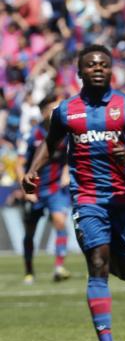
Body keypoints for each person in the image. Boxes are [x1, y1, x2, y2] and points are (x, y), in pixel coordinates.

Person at [21, 44, 125, 341]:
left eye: (104, 64)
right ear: (80, 72)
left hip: (122, 200)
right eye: (92, 65)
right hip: (86, 199)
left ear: (111, 71)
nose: (98, 68)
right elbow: (50, 142)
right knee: (97, 263)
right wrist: (33, 170)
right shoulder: (66, 110)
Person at [16, 94, 71, 284]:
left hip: (56, 188)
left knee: (60, 222)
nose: (56, 112)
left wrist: (65, 171)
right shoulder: (32, 135)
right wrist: (25, 190)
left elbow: (71, 157)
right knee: (30, 233)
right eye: (52, 108)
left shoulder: (65, 133)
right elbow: (19, 164)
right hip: (35, 191)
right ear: (42, 112)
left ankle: (59, 266)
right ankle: (29, 270)